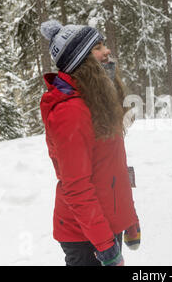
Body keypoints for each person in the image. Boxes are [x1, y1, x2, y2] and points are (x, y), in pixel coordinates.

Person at [39, 20, 140, 266]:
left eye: (104, 44)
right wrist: (106, 247)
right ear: (80, 62)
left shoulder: (97, 100)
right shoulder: (71, 111)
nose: (107, 51)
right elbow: (76, 187)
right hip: (85, 237)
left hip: (103, 224)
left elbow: (113, 165)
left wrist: (129, 218)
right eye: (97, 47)